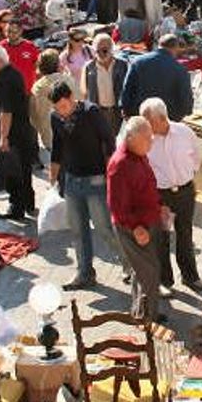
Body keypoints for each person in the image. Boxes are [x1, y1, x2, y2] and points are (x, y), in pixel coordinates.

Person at [49, 81, 124, 290]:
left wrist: (111, 174)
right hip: (72, 180)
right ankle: (84, 273)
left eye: (64, 107)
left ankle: (131, 267)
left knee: (103, 228)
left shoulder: (91, 112)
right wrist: (53, 175)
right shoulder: (55, 117)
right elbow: (57, 145)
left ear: (72, 98)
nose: (61, 112)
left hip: (96, 179)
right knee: (77, 230)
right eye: (57, 109)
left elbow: (109, 141)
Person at [140, 98, 202, 295]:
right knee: (161, 237)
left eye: (149, 121)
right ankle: (163, 281)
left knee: (185, 234)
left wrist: (186, 176)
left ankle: (190, 277)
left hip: (185, 192)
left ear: (162, 118)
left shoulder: (184, 132)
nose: (146, 126)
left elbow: (196, 157)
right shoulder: (146, 139)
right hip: (160, 195)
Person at [108, 116, 165, 320]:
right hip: (134, 226)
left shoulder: (139, 154)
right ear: (131, 138)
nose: (151, 143)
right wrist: (136, 228)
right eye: (147, 139)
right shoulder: (120, 164)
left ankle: (141, 312)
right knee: (148, 271)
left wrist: (159, 206)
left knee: (142, 270)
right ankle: (148, 317)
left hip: (147, 221)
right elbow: (117, 205)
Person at [0, 45, 38, 221]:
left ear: (0, 60)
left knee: (13, 171)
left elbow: (6, 111)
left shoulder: (5, 80)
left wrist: (3, 137)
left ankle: (17, 207)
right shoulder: (9, 74)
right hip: (21, 132)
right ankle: (28, 203)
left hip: (13, 135)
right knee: (24, 168)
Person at [120, 34, 193, 120]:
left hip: (140, 117)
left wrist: (126, 110)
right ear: (176, 48)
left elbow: (127, 89)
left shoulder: (138, 62)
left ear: (159, 45)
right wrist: (186, 112)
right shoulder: (180, 69)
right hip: (166, 120)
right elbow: (185, 98)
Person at [83, 33, 127, 132]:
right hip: (99, 113)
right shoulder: (89, 67)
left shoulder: (122, 65)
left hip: (118, 112)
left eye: (104, 50)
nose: (101, 54)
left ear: (111, 49)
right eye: (97, 51)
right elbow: (85, 93)